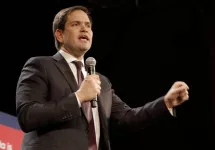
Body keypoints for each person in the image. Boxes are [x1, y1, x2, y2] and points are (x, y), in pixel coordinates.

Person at [15, 5, 189, 150]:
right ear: (59, 34)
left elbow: (128, 118)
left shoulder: (101, 82)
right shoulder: (41, 65)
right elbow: (28, 116)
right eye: (76, 24)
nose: (85, 29)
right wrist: (79, 97)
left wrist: (166, 102)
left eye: (88, 25)